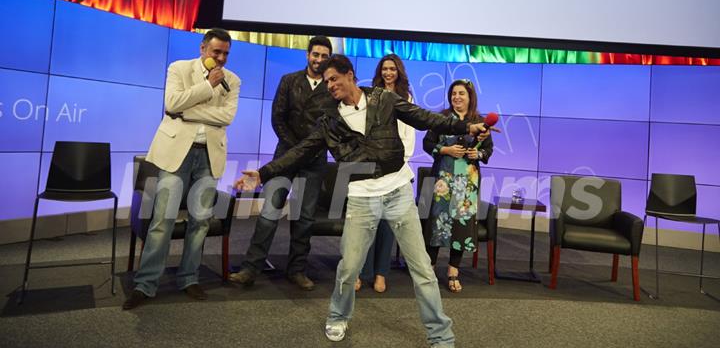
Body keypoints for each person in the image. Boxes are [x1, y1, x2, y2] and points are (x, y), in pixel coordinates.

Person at [235, 55, 491, 347]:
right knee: (348, 268)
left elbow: (425, 118)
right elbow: (302, 150)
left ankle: (440, 333)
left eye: (334, 78)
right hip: (361, 197)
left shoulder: (384, 99)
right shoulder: (329, 120)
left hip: (397, 192)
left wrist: (466, 128)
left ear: (350, 75)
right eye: (327, 81)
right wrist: (265, 172)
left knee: (421, 268)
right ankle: (338, 316)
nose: (330, 85)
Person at [123, 29, 241, 310]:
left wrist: (186, 112)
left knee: (200, 221)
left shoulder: (233, 80)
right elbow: (172, 104)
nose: (221, 58)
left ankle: (188, 278)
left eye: (225, 53)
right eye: (216, 52)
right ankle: (146, 283)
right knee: (162, 220)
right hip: (177, 152)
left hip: (209, 156)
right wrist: (207, 87)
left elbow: (227, 117)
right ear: (203, 49)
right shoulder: (179, 68)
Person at [229, 35, 335, 290]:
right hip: (284, 156)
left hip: (315, 160)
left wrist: (307, 150)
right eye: (315, 54)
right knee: (268, 213)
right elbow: (278, 118)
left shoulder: (333, 89)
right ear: (307, 55)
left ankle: (297, 270)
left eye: (323, 56)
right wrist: (295, 148)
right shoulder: (289, 80)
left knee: (305, 218)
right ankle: (251, 268)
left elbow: (331, 127)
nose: (319, 60)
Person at [423, 79, 493, 294]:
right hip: (443, 180)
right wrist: (446, 150)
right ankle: (429, 268)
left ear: (470, 97)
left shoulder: (480, 122)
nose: (457, 97)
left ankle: (453, 271)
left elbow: (488, 151)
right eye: (453, 93)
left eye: (461, 93)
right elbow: (427, 144)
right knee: (438, 222)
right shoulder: (441, 119)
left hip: (467, 182)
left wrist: (477, 154)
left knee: (461, 227)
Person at [355, 54, 415, 294]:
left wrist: (400, 162)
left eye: (393, 69)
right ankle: (363, 271)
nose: (389, 73)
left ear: (399, 72)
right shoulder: (370, 96)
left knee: (387, 224)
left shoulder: (407, 98)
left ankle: (381, 273)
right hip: (372, 166)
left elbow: (409, 134)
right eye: (385, 69)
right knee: (368, 222)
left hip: (397, 168)